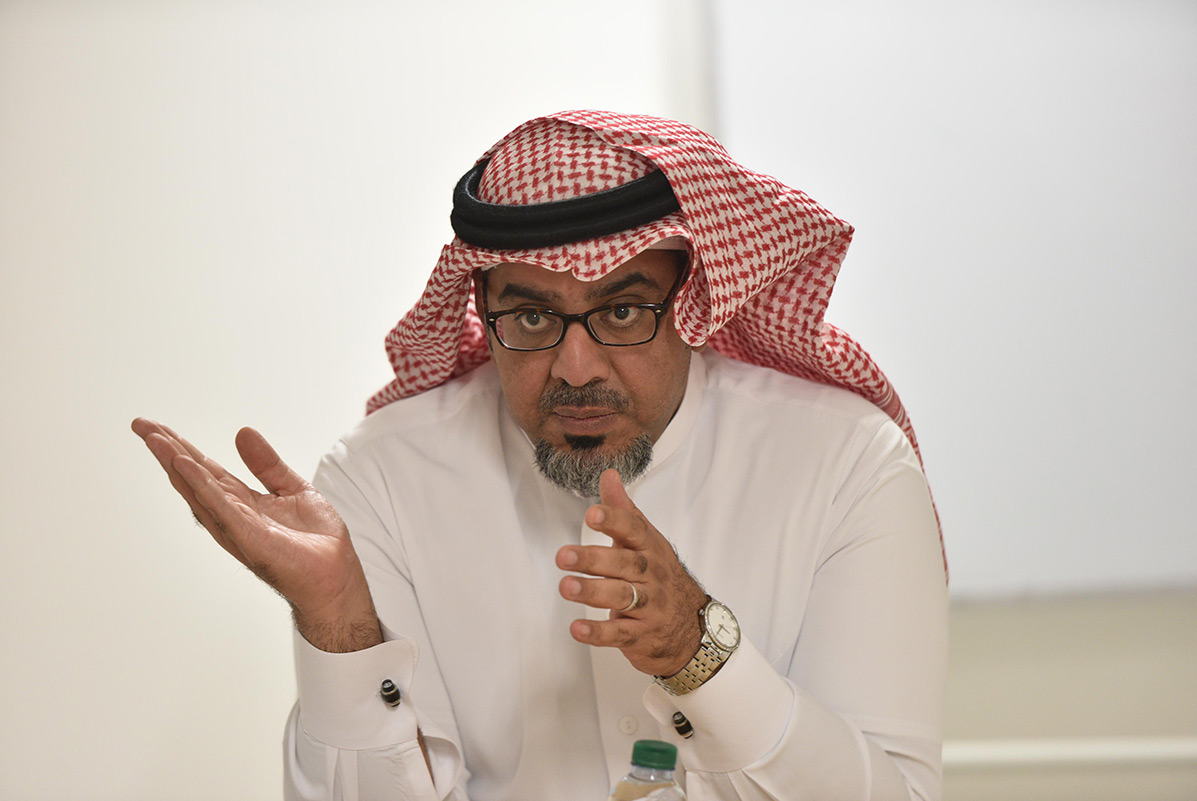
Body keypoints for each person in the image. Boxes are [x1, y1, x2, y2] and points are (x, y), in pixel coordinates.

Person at [133, 110, 947, 801]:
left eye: (622, 310)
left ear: (693, 297)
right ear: (482, 305)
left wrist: (700, 650)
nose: (575, 367)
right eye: (530, 318)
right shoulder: (384, 480)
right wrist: (337, 624)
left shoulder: (846, 464)